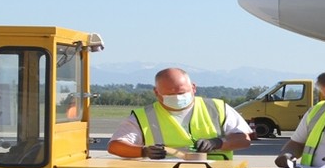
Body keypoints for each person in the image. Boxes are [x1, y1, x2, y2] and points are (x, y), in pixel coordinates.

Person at [108, 67, 252, 160]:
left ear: (193, 88)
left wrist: (218, 143)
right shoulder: (143, 116)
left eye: (182, 92)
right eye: (170, 94)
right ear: (156, 93)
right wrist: (144, 151)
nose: (177, 97)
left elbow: (243, 139)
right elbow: (115, 146)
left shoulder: (217, 107)